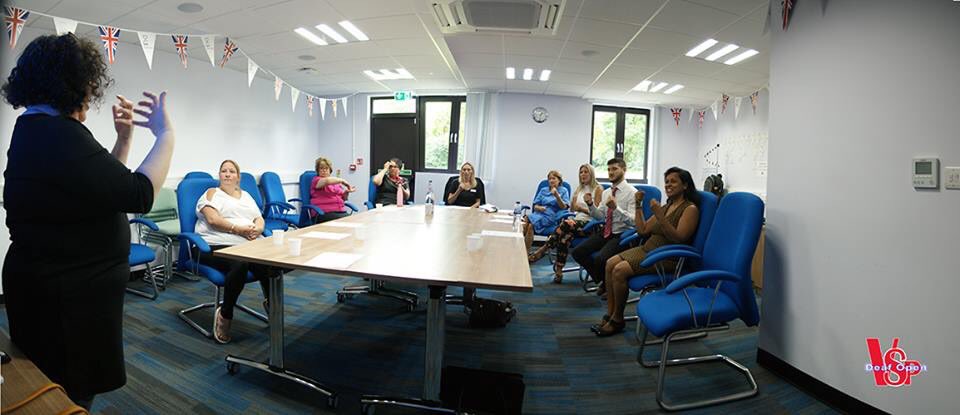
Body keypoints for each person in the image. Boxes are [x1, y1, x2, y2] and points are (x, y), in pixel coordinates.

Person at [1, 34, 175, 409]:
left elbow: (100, 190)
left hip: (56, 291)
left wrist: (124, 139)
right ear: (74, 83)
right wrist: (166, 135)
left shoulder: (36, 129)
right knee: (65, 398)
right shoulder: (58, 133)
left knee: (58, 393)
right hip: (67, 303)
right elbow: (139, 194)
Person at [593, 167, 700, 336]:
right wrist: (638, 205)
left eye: (673, 181)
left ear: (685, 185)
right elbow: (642, 230)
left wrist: (660, 215)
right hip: (648, 249)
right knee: (610, 263)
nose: (668, 185)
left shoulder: (690, 209)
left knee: (619, 271)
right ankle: (611, 314)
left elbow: (679, 238)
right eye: (666, 182)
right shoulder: (666, 206)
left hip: (668, 256)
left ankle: (618, 320)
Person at [195, 160, 280, 344]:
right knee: (240, 263)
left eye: (231, 171)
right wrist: (239, 229)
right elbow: (212, 219)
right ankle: (225, 315)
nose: (227, 174)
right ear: (219, 176)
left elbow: (259, 218)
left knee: (269, 261)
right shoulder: (212, 193)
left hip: (246, 243)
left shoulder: (246, 196)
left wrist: (257, 229)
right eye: (223, 171)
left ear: (238, 177)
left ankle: (271, 303)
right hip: (212, 245)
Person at [570, 158, 636, 295]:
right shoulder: (607, 193)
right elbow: (599, 216)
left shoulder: (632, 193)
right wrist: (590, 205)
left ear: (624, 170)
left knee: (601, 258)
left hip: (621, 234)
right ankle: (604, 281)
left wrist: (616, 208)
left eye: (615, 169)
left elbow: (634, 222)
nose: (611, 172)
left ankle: (606, 284)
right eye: (609, 169)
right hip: (605, 231)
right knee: (577, 252)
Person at [527, 164, 603, 283]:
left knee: (566, 224)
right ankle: (559, 271)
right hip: (576, 222)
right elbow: (572, 210)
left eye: (586, 172)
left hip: (590, 225)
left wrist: (582, 208)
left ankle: (543, 249)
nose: (583, 174)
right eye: (581, 172)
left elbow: (599, 215)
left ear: (591, 174)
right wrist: (573, 204)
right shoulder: (580, 189)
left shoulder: (598, 189)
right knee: (564, 238)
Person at [521, 170, 570, 251]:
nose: (551, 180)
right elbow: (535, 205)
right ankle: (524, 251)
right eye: (549, 179)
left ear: (559, 180)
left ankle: (522, 251)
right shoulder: (544, 190)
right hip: (539, 214)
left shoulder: (563, 190)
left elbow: (564, 207)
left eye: (553, 178)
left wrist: (557, 196)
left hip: (551, 216)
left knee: (528, 223)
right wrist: (539, 208)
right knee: (528, 224)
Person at [310, 157, 357, 223]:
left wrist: (346, 192)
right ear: (318, 171)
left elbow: (344, 198)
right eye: (321, 168)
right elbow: (327, 181)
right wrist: (342, 181)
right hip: (323, 213)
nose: (324, 170)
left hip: (340, 211)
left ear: (330, 170)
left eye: (326, 168)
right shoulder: (316, 180)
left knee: (353, 222)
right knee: (346, 223)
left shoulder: (336, 183)